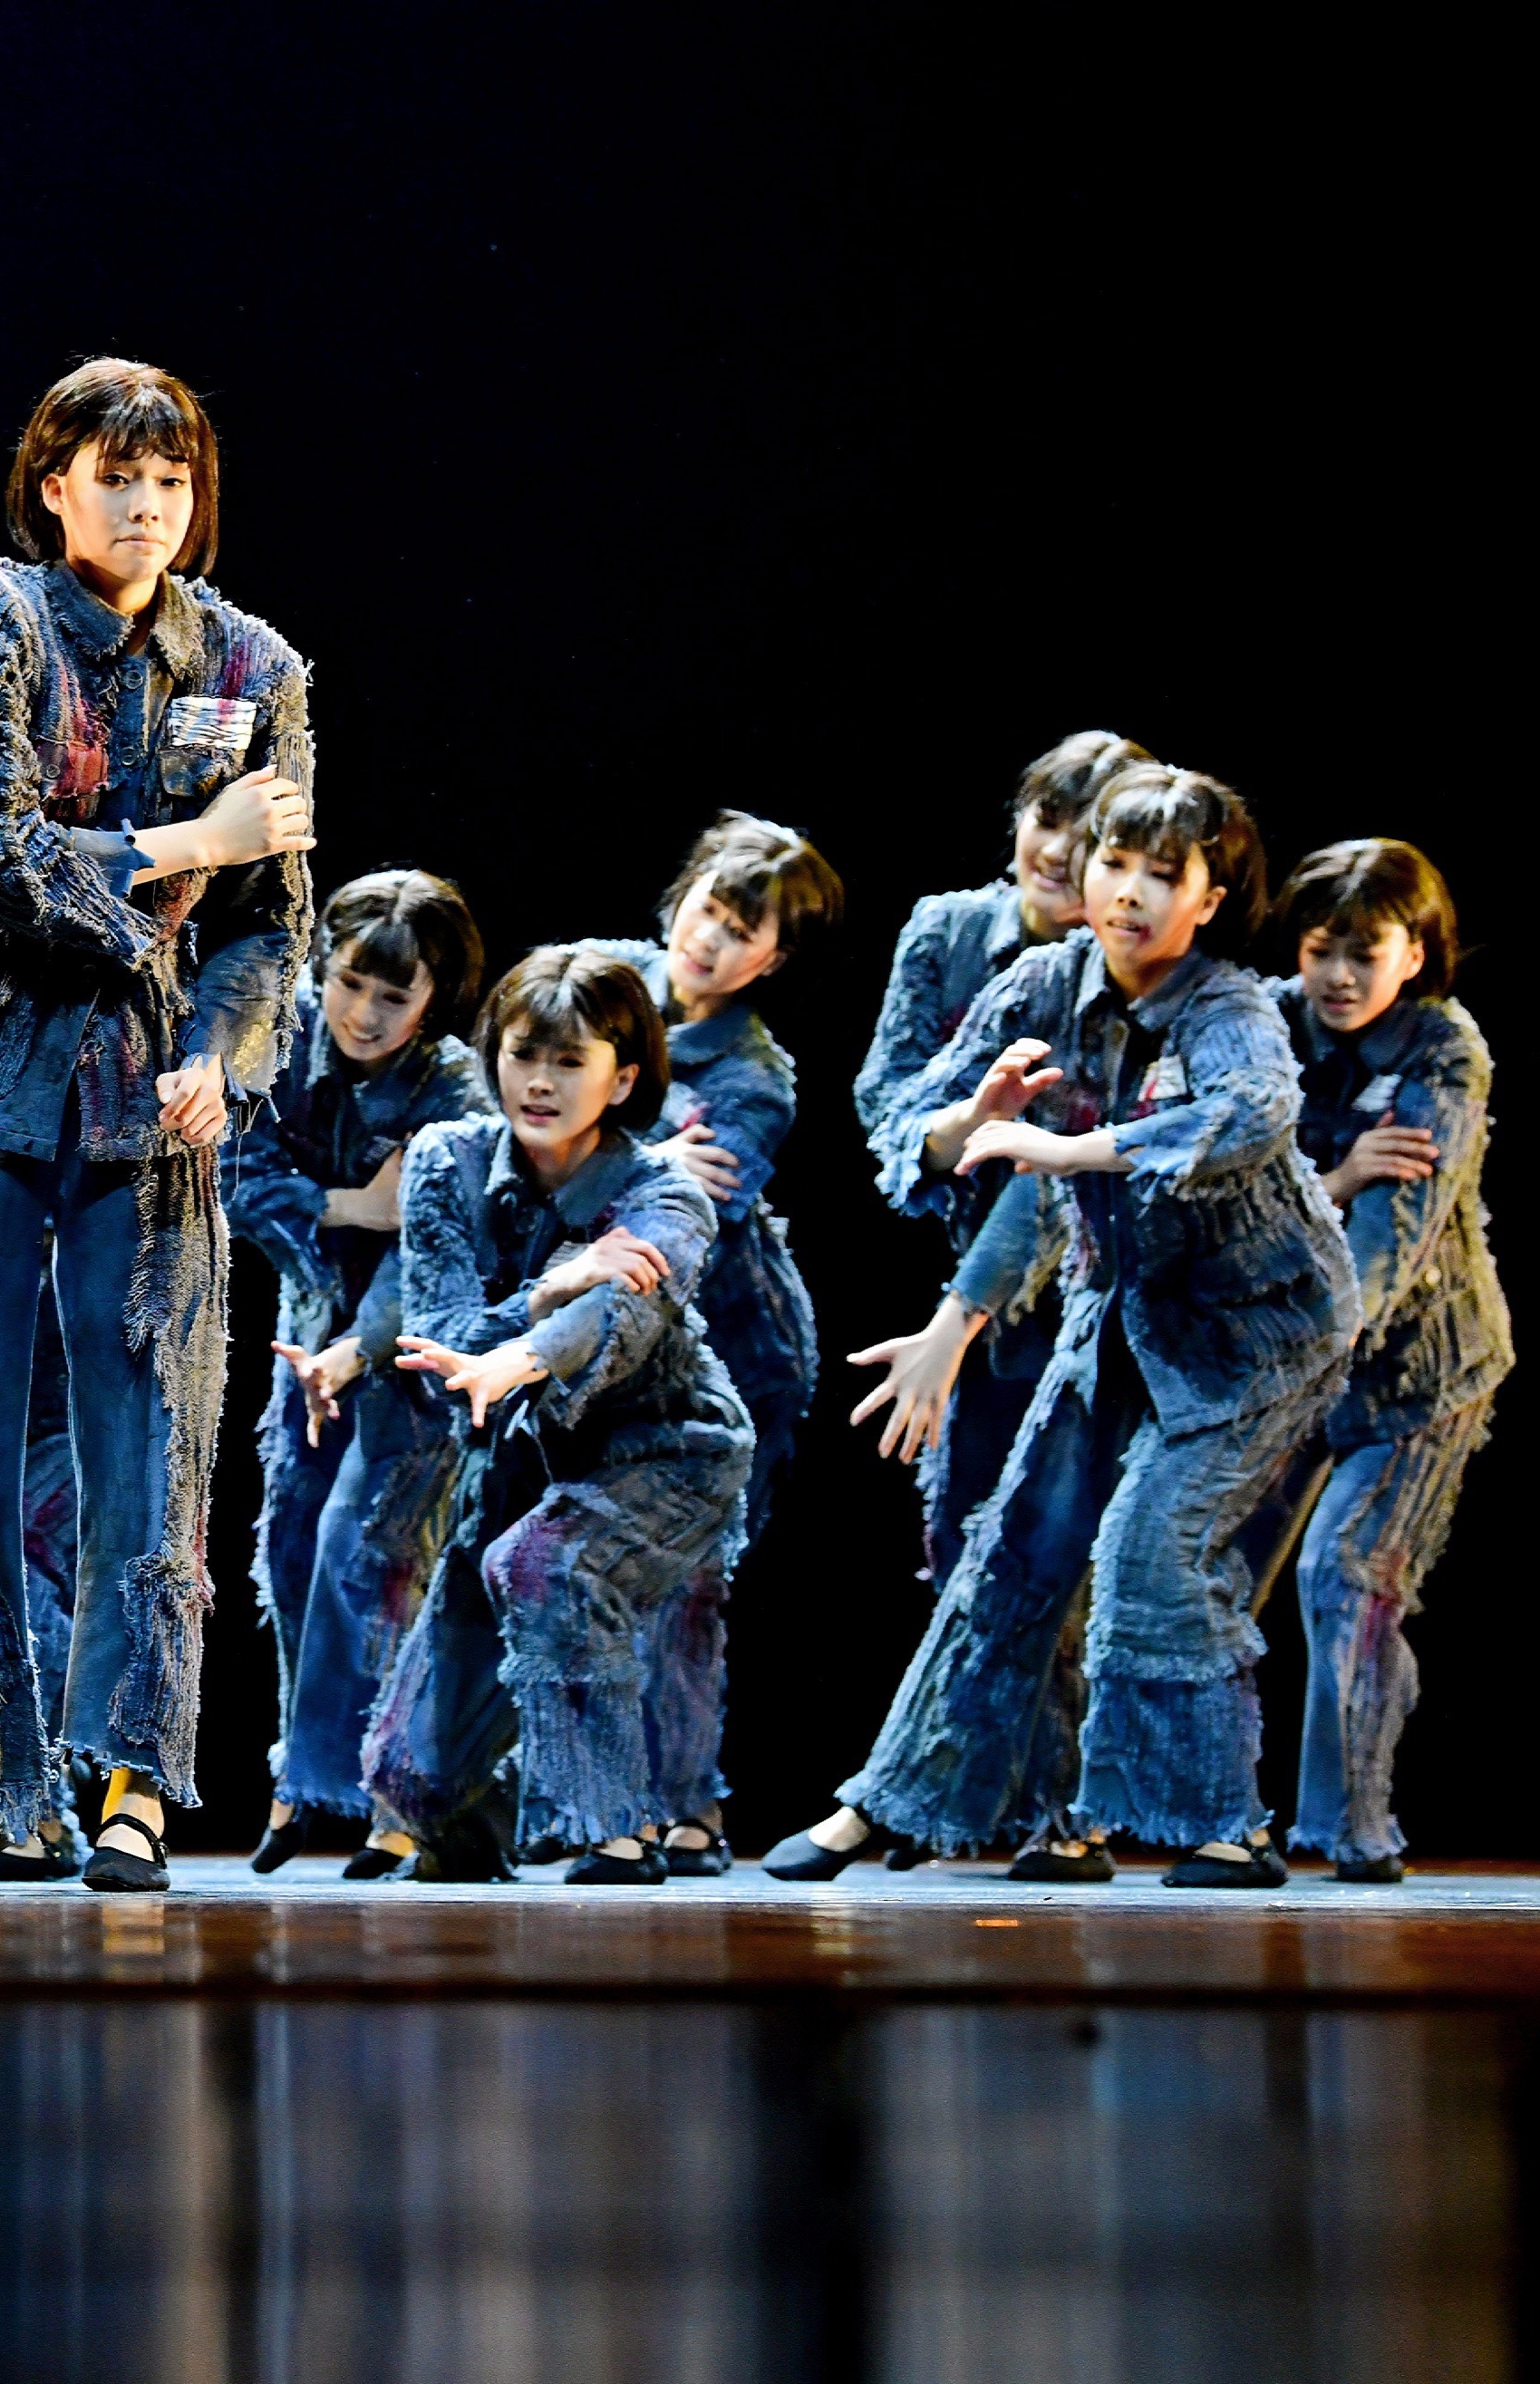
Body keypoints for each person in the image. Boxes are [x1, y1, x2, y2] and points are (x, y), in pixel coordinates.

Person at [0, 356, 315, 1893]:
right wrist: (183, 839)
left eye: (171, 479)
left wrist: (225, 1052)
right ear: (54, 487)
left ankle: (132, 1782)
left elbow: (270, 919)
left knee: (150, 1433)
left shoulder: (252, 663)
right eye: (117, 476)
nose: (148, 504)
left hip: (140, 1089)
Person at [772, 767, 1355, 1887]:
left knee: (1150, 1551)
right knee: (1015, 1546)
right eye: (1113, 864)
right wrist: (976, 1116)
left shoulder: (1228, 1005)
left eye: (1161, 874)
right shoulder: (1043, 980)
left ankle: (1224, 1826)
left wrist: (1065, 1149)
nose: (1127, 892)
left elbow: (1248, 1116)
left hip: (1257, 1335)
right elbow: (909, 1130)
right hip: (1120, 1310)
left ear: (1209, 900)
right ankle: (889, 1801)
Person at [816, 732, 1146, 1869]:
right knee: (963, 1535)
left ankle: (1061, 1815)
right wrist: (961, 1127)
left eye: (1087, 834)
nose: (1056, 849)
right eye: (1045, 818)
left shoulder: (1121, 978)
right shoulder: (951, 932)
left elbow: (1056, 1184)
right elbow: (890, 1104)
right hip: (975, 1282)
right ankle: (967, 1797)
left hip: (1087, 1290)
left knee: (1056, 1551)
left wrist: (956, 1318)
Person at [369, 947, 754, 1884]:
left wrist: (526, 1349)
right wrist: (548, 1290)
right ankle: (491, 1820)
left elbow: (618, 1316)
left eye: (569, 1061)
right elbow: (442, 1341)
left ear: (621, 1079)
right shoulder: (446, 1160)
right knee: (410, 1778)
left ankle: (616, 1829)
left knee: (546, 1567)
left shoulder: (665, 1193)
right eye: (522, 1054)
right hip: (524, 1454)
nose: (538, 1082)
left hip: (666, 1448)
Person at [567, 816, 845, 1870]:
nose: (710, 940)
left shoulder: (754, 1079)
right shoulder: (601, 983)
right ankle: (596, 1799)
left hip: (730, 1355)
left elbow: (679, 1220)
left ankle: (683, 1803)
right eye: (707, 911)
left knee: (686, 1574)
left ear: (771, 958)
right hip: (602, 1334)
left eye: (741, 931)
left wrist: (611, 1155)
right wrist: (638, 1151)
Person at [1243, 840, 1507, 1881]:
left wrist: (1330, 1189)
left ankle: (1348, 1831)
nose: (1340, 976)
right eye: (1322, 949)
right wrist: (1337, 1172)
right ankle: (1205, 1814)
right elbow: (1225, 1195)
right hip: (1285, 1363)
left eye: (1366, 952)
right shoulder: (1262, 1026)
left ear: (1416, 952)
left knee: (1344, 1570)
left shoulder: (1442, 1051)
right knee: (1197, 1565)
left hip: (1416, 1375)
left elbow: (1393, 1240)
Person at [237, 870, 486, 1872]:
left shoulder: (453, 1088)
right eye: (349, 982)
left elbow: (425, 1249)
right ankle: (304, 1783)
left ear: (435, 997)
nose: (364, 1013)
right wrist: (349, 1206)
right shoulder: (280, 1036)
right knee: (294, 1550)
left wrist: (355, 1349)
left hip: (409, 1351)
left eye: (394, 994)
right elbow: (230, 1176)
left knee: (370, 1552)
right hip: (308, 1332)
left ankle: (395, 1795)